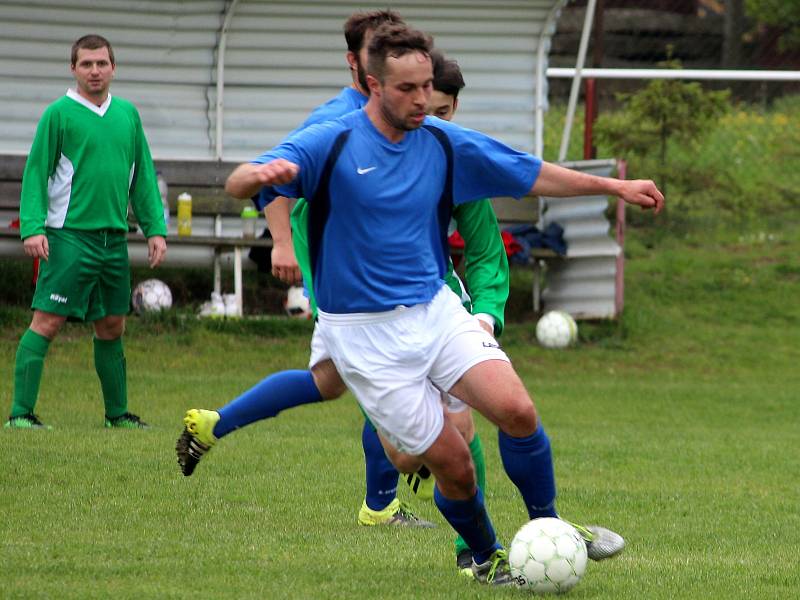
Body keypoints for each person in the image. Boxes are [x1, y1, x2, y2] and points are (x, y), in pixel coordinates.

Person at [182, 24, 663, 586]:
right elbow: (244, 180)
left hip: (435, 310)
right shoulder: (330, 141)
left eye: (426, 86)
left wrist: (614, 190)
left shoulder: (441, 140)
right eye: (407, 88)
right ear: (374, 86)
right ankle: (486, 558)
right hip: (362, 333)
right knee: (452, 465)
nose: (420, 99)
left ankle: (548, 526)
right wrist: (258, 177)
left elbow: (528, 173)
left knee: (518, 412)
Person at [190, 10, 438, 530]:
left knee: (327, 381)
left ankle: (215, 424)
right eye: (376, 51)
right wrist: (281, 242)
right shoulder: (335, 118)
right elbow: (268, 177)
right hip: (346, 274)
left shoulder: (397, 114)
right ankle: (382, 505)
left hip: (372, 274)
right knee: (391, 373)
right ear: (356, 62)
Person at [5, 34, 167, 430]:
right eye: (86, 64)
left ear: (113, 67)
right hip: (68, 237)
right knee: (47, 321)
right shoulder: (58, 114)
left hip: (113, 240)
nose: (95, 71)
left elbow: (142, 176)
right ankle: (20, 414)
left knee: (112, 325)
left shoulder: (128, 114)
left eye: (101, 63)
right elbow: (36, 174)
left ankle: (117, 415)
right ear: (73, 69)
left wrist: (155, 229)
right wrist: (32, 227)